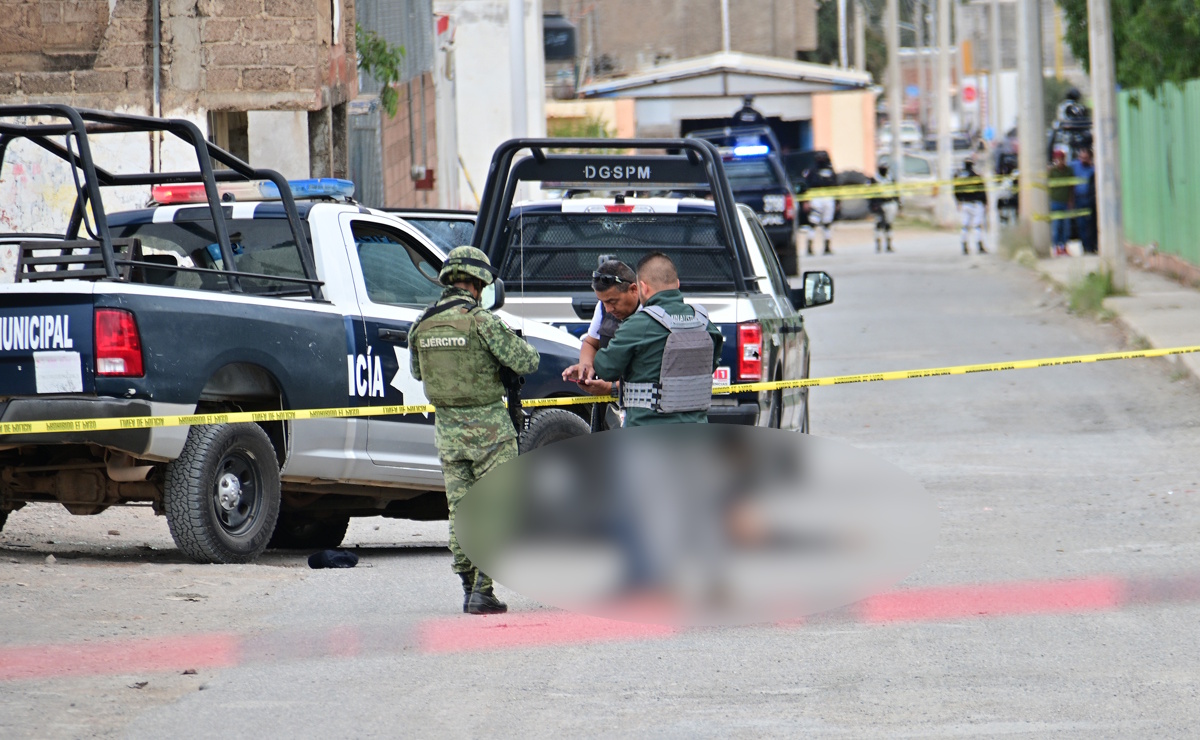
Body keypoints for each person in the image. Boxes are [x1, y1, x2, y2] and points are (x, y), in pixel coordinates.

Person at [409, 246, 540, 615]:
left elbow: (418, 372)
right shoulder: (481, 320)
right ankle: (484, 590)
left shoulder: (422, 323)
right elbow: (527, 361)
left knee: (460, 511)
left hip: (447, 431)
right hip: (489, 432)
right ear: (479, 282)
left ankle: (469, 588)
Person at [590, 252, 725, 427]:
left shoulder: (638, 324)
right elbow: (712, 364)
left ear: (643, 287)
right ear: (677, 284)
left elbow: (606, 368)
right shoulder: (704, 323)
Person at [562, 260, 641, 398]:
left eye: (612, 301)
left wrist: (611, 388)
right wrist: (586, 366)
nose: (608, 309)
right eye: (603, 302)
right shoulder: (603, 308)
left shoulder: (653, 314)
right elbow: (591, 343)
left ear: (634, 290)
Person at [801, 152, 837, 256]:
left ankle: (827, 246)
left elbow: (836, 186)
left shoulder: (830, 171)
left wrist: (838, 201)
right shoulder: (813, 170)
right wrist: (806, 201)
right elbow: (806, 186)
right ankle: (809, 246)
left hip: (829, 199)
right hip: (816, 199)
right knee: (813, 222)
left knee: (827, 223)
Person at [954, 158, 987, 255]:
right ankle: (979, 245)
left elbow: (956, 191)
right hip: (976, 204)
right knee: (977, 226)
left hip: (965, 204)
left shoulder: (960, 178)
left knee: (965, 225)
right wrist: (985, 203)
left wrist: (959, 202)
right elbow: (983, 191)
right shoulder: (976, 176)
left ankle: (964, 245)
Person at [1048, 150, 1075, 257]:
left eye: (1061, 159)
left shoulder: (1069, 171)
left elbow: (1071, 187)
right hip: (1055, 202)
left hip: (1065, 202)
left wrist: (1071, 201)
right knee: (1056, 226)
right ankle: (1056, 248)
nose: (1059, 161)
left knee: (1066, 227)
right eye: (1057, 159)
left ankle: (1064, 247)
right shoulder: (1052, 172)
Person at [1071, 146, 1097, 254]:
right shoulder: (1074, 165)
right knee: (1082, 225)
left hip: (1091, 200)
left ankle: (1093, 246)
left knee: (1092, 224)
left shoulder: (1093, 168)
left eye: (1085, 158)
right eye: (1081, 158)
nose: (1083, 160)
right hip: (1079, 199)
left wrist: (1092, 165)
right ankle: (1086, 247)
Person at [869, 162, 899, 253]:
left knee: (888, 224)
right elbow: (870, 195)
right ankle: (878, 245)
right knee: (879, 224)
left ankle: (889, 244)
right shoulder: (874, 179)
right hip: (879, 204)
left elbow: (896, 192)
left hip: (890, 203)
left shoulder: (890, 179)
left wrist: (898, 202)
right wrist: (874, 206)